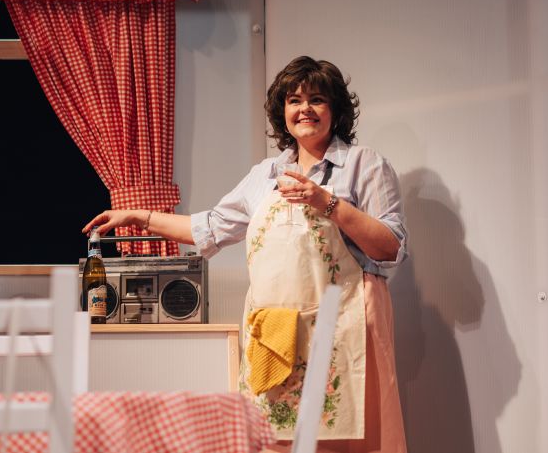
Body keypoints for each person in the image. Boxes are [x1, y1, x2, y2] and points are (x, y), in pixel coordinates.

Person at [82, 56, 408, 453]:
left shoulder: (364, 165)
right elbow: (209, 227)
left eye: (317, 99)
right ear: (281, 112)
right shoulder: (265, 175)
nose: (304, 108)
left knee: (349, 437)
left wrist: (328, 203)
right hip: (277, 333)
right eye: (294, 100)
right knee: (276, 440)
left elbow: (390, 246)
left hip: (346, 324)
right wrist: (140, 215)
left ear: (335, 110)